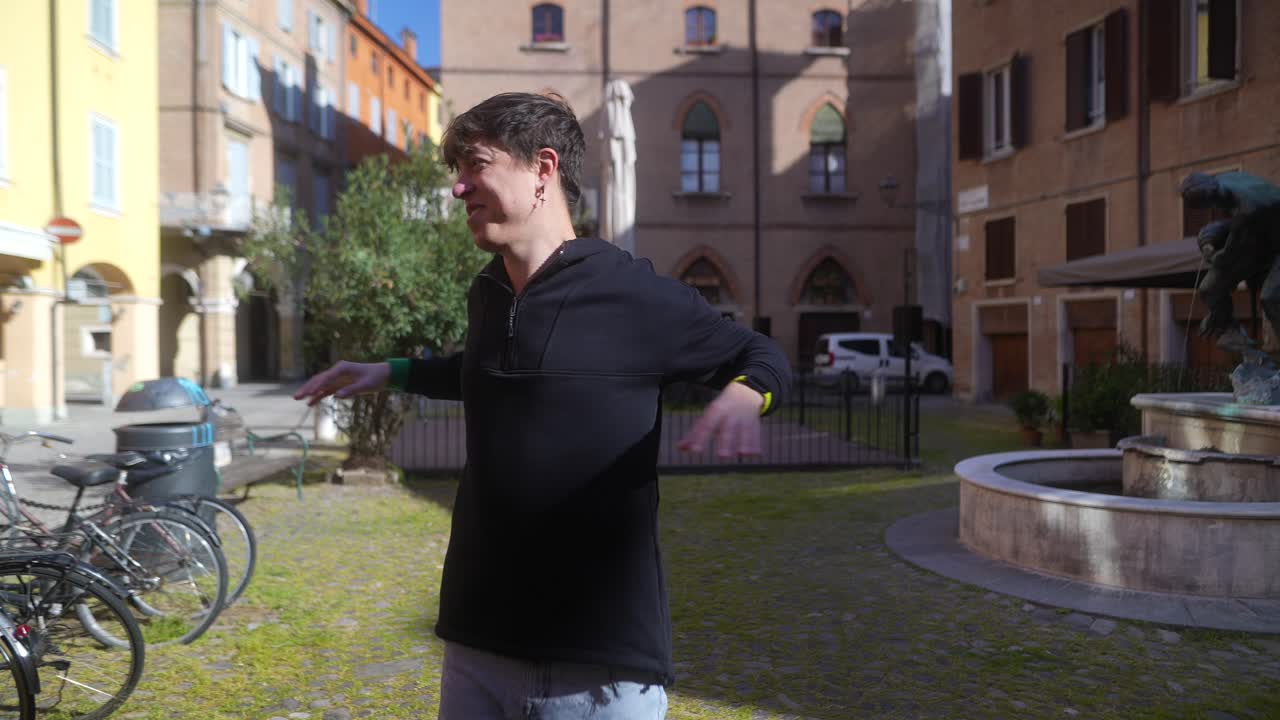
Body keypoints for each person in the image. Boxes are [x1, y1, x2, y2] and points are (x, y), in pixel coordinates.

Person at [294, 91, 791, 719]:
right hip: (476, 644)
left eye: (475, 165)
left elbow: (763, 356)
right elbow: (487, 374)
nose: (459, 188)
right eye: (457, 172)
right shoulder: (488, 294)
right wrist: (390, 372)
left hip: (596, 666)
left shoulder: (633, 295)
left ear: (543, 169)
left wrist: (747, 397)